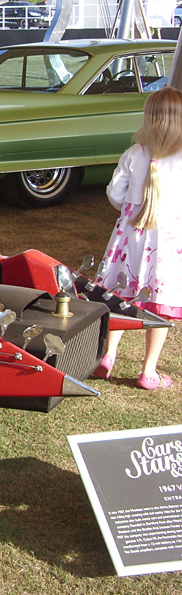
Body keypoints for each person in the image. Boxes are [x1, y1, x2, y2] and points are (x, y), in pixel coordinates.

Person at [93, 86, 182, 390]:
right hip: (167, 244)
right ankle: (149, 371)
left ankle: (108, 355)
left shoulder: (134, 153)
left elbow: (115, 194)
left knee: (118, 295)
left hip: (130, 238)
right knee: (160, 302)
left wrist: (131, 207)